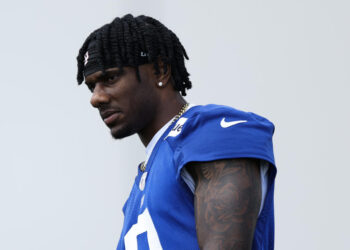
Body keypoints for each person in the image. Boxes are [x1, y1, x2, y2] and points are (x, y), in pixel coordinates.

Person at [76, 14, 276, 250]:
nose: (96, 98)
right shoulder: (149, 174)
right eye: (92, 86)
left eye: (110, 78)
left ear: (160, 70)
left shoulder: (209, 132)